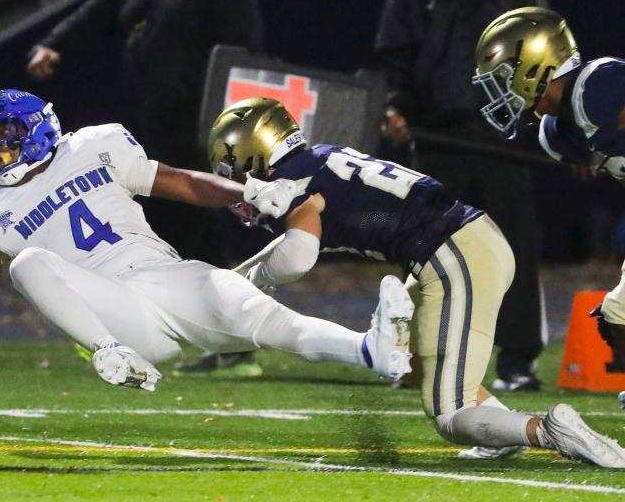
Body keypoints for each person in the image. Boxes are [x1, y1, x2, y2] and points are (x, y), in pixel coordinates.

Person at [207, 96, 625, 468]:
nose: (239, 185)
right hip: (460, 243)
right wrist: (235, 278)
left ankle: (550, 429)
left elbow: (296, 258)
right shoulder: (318, 160)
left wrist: (249, 279)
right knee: (406, 358)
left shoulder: (293, 183)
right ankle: (500, 434)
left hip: (452, 254)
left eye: (234, 170)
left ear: (254, 154)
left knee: (449, 414)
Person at [0, 88, 414, 393]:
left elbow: (184, 183)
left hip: (164, 275)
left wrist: (247, 190)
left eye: (5, 137)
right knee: (29, 262)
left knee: (266, 318)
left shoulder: (94, 144)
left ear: (37, 127)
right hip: (113, 315)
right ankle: (108, 352)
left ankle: (370, 350)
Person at [375, 0, 548, 391]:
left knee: (513, 252)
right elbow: (396, 64)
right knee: (427, 254)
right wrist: (396, 109)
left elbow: (549, 57)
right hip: (437, 140)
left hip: (504, 140)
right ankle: (420, 357)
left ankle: (517, 360)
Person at [26, 0, 262, 263]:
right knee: (180, 209)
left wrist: (230, 117)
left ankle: (169, 274)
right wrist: (53, 43)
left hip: (194, 116)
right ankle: (213, 282)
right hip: (145, 111)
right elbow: (97, 10)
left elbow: (245, 46)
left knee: (178, 199)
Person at [472, 6, 625, 372]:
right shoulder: (558, 134)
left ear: (534, 65)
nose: (503, 87)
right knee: (617, 315)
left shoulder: (598, 86)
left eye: (505, 75)